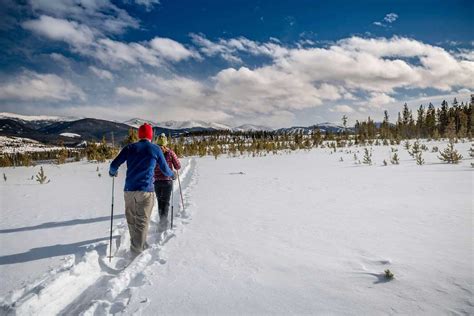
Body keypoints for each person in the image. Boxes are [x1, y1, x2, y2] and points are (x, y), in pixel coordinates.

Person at [109, 124, 174, 255]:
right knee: (142, 222)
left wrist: (112, 172)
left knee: (132, 220)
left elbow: (113, 165)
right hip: (145, 191)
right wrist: (172, 175)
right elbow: (165, 169)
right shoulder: (155, 149)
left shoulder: (130, 148)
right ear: (151, 135)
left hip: (129, 190)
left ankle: (140, 243)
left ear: (139, 135)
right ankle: (136, 252)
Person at [154, 133, 181, 230]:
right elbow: (178, 166)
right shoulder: (170, 152)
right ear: (166, 142)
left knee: (160, 202)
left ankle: (162, 222)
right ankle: (163, 224)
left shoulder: (154, 153)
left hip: (156, 181)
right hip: (167, 181)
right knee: (165, 202)